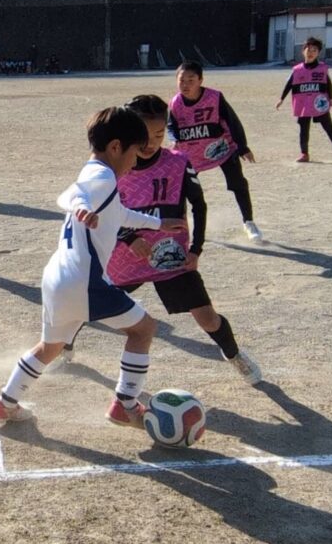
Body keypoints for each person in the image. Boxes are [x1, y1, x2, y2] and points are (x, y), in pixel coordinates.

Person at [0, 107, 189, 428]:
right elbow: (72, 194)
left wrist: (159, 223)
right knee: (143, 330)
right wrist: (80, 206)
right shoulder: (102, 177)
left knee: (50, 347)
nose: (136, 161)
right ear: (115, 147)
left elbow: (119, 214)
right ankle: (126, 404)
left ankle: (4, 403)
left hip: (57, 277)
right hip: (83, 281)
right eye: (135, 153)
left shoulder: (95, 173)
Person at [62, 94, 261, 384]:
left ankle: (234, 354)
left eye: (158, 134)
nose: (151, 142)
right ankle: (63, 347)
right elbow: (101, 210)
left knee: (207, 316)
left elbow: (199, 205)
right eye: (144, 135)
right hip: (124, 258)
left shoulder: (178, 162)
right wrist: (130, 238)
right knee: (88, 303)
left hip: (171, 256)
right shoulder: (113, 169)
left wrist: (196, 249)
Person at [168, 60, 262, 242]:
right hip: (192, 153)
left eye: (191, 80)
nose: (185, 85)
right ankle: (180, 225)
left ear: (200, 80)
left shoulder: (215, 97)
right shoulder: (175, 103)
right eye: (181, 80)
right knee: (181, 189)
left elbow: (233, 121)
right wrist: (174, 139)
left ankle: (249, 222)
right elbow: (172, 126)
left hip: (221, 149)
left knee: (238, 183)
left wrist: (242, 146)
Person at [277, 37, 332, 163]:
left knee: (329, 127)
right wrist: (281, 99)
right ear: (303, 51)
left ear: (318, 53)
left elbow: (328, 84)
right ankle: (304, 154)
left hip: (319, 103)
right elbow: (289, 84)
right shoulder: (297, 70)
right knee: (304, 129)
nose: (311, 53)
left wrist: (331, 99)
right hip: (303, 103)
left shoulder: (322, 68)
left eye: (314, 50)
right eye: (308, 50)